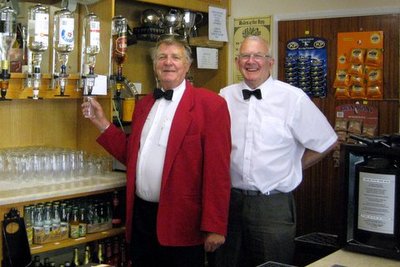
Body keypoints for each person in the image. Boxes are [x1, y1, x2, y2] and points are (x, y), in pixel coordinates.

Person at [81, 36, 232, 267]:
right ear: (154, 65)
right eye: (162, 57)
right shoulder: (144, 104)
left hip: (183, 222)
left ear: (187, 65)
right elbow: (131, 155)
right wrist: (101, 122)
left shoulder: (211, 105)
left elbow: (218, 172)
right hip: (142, 218)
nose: (168, 62)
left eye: (175, 57)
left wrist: (215, 226)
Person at [214, 35, 338, 267]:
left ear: (270, 62)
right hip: (229, 202)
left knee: (273, 263)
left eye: (258, 56)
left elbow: (327, 141)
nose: (251, 61)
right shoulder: (224, 96)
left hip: (272, 206)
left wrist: (294, 167)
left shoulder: (293, 98)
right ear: (236, 61)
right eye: (245, 56)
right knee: (226, 262)